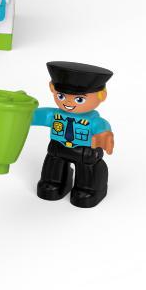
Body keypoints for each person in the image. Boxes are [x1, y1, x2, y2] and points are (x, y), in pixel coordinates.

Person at [31, 61, 116, 208]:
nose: (68, 102)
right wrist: (21, 114)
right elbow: (35, 116)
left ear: (102, 96)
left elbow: (102, 127)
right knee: (53, 165)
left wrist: (104, 136)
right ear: (52, 89)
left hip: (84, 152)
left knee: (88, 169)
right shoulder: (54, 115)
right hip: (58, 148)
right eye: (61, 96)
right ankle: (54, 182)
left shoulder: (93, 121)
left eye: (79, 99)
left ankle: (88, 188)